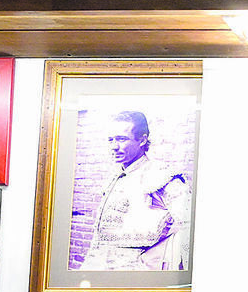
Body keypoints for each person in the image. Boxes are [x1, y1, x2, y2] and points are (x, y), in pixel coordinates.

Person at [80, 111, 192, 272]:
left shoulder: (162, 175)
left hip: (136, 273)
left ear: (142, 139)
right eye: (110, 139)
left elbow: (190, 227)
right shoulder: (115, 178)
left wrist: (154, 261)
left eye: (121, 139)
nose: (114, 146)